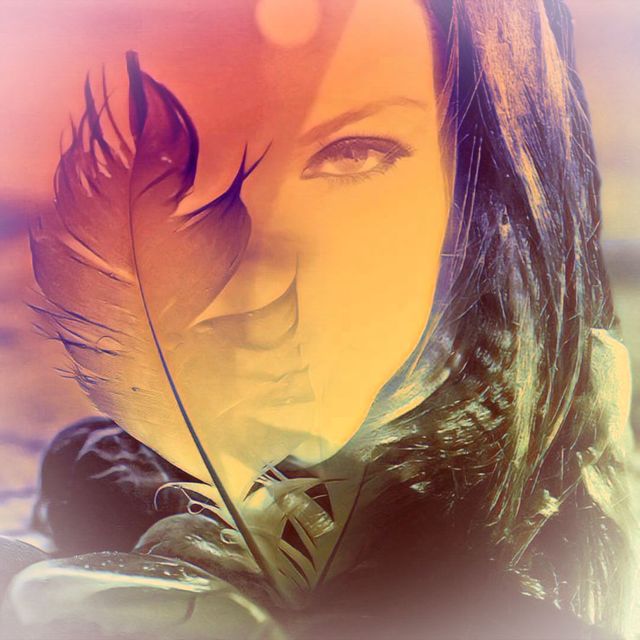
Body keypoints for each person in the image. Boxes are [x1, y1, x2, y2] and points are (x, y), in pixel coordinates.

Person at [1, 0, 637, 638]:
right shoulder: (93, 486)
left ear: (477, 182)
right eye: (175, 171)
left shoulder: (575, 534)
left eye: (353, 153)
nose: (257, 282)